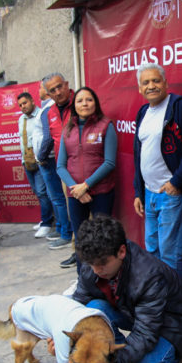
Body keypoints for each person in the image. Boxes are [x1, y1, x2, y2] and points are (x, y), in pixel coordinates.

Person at [71, 216, 182, 363]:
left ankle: (177, 354)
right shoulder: (93, 262)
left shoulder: (149, 275)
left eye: (102, 263)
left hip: (174, 325)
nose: (96, 270)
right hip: (135, 314)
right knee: (93, 307)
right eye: (90, 263)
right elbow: (77, 303)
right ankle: (118, 350)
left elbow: (146, 332)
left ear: (121, 251)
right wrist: (62, 336)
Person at [132, 63, 182, 279]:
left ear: (166, 83)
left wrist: (176, 182)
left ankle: (174, 305)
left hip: (170, 194)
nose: (151, 86)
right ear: (140, 89)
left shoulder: (180, 107)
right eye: (146, 83)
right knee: (153, 251)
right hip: (149, 193)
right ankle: (159, 297)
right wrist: (138, 192)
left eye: (156, 81)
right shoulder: (143, 112)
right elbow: (138, 155)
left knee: (170, 255)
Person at [57, 86, 117, 266]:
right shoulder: (67, 129)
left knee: (103, 240)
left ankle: (106, 282)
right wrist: (77, 189)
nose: (84, 103)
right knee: (81, 240)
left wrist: (86, 185)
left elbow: (109, 162)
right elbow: (60, 166)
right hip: (75, 194)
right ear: (74, 105)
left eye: (89, 99)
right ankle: (84, 283)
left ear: (95, 103)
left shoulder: (106, 125)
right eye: (80, 100)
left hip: (102, 193)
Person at [38, 73, 77, 264]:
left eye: (60, 86)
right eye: (52, 90)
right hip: (64, 171)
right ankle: (78, 253)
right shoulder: (49, 113)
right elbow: (51, 139)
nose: (58, 92)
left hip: (85, 169)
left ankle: (95, 257)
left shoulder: (80, 103)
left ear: (67, 84)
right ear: (48, 94)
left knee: (91, 216)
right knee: (72, 213)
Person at [18, 91, 54, 238]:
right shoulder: (21, 119)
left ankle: (46, 223)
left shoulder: (41, 115)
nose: (22, 107)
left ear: (32, 101)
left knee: (42, 192)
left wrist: (39, 156)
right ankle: (46, 219)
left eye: (25, 103)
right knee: (36, 191)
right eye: (20, 105)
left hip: (40, 160)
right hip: (26, 161)